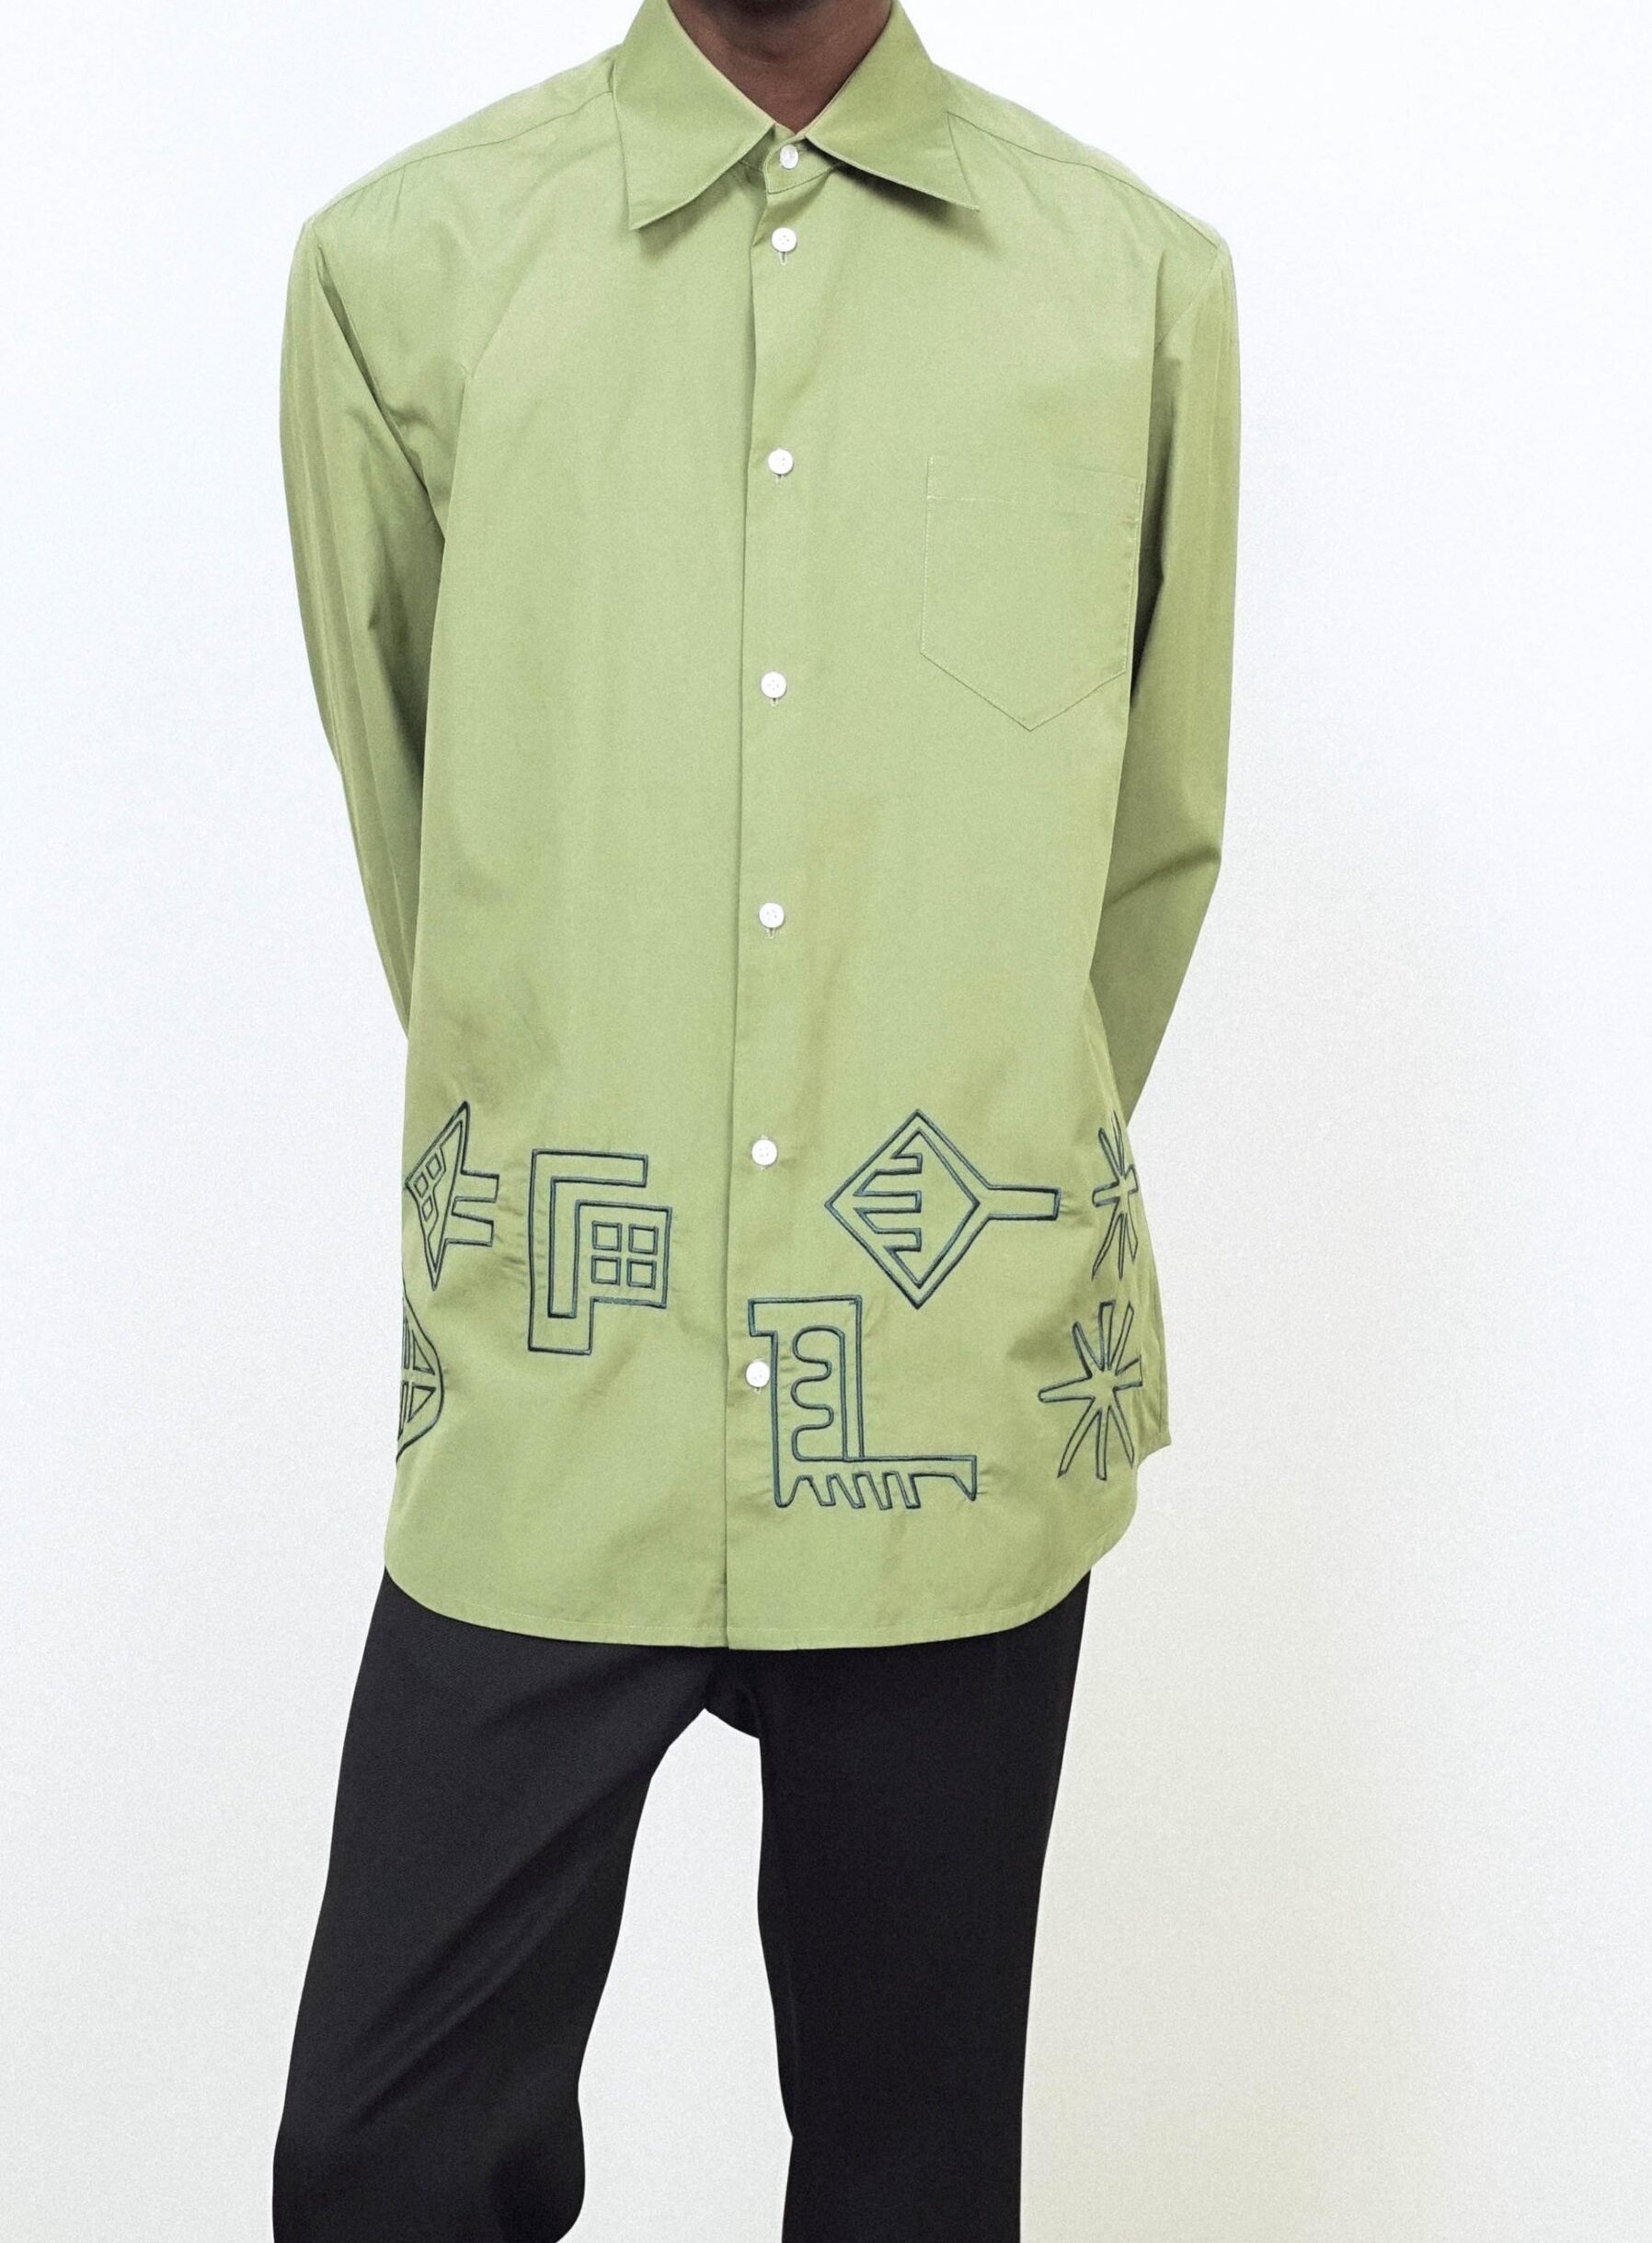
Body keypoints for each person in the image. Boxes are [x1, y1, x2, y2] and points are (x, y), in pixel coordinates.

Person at [272, 0, 1240, 2234]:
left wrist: (961, 1174)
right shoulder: (399, 267)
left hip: (943, 1393)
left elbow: (1152, 847)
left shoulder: (1131, 284)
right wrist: (595, 1100)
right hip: (565, 1376)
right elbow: (421, 827)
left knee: (913, 2166)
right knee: (384, 2154)